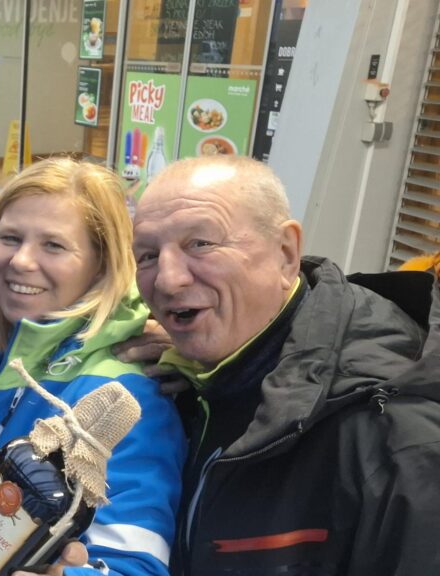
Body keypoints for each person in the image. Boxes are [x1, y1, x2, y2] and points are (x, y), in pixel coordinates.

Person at [131, 155, 440, 575]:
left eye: (200, 244)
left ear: (286, 254)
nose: (168, 280)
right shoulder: (193, 381)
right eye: (147, 255)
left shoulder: (394, 439)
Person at [0, 158, 186, 575]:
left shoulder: (124, 398)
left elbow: (135, 565)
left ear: (102, 264)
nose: (21, 261)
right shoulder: (14, 352)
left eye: (53, 245)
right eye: (10, 237)